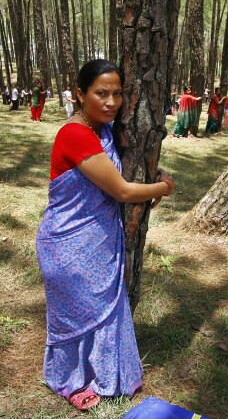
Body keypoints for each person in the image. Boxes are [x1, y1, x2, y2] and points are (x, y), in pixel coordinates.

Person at [36, 59, 175, 411]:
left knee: (102, 308)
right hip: (69, 243)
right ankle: (70, 379)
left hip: (97, 240)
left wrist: (148, 177)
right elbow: (124, 192)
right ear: (81, 94)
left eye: (117, 93)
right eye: (101, 93)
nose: (111, 102)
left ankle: (105, 374)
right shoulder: (75, 134)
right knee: (77, 315)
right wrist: (163, 187)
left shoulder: (104, 131)